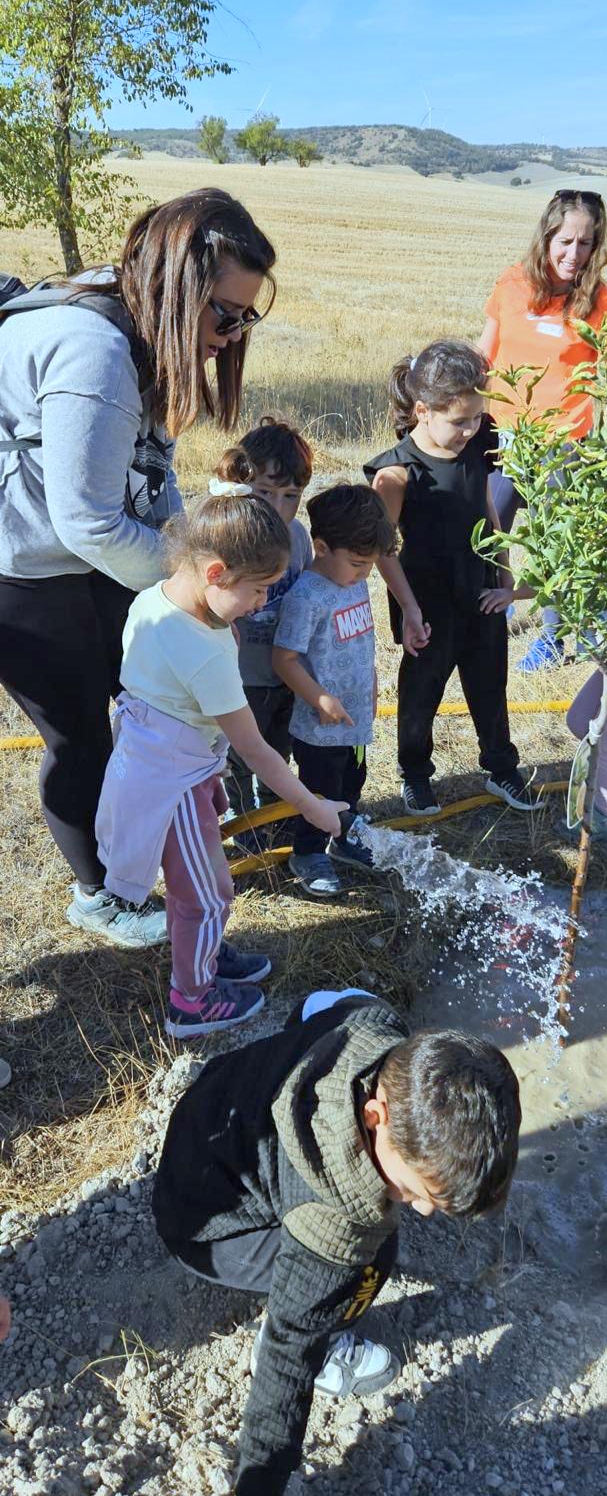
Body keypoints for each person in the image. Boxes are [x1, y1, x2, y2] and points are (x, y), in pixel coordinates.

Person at [0, 187, 276, 947]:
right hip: (22, 568)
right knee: (79, 734)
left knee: (146, 707)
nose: (232, 334)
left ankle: (148, 847)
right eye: (225, 314)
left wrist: (193, 552)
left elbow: (152, 478)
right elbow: (88, 521)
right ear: (176, 287)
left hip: (80, 555)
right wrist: (187, 587)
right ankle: (103, 894)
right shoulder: (93, 352)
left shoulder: (146, 332)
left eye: (246, 317)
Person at [151, 987, 521, 1496]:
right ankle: (332, 1347)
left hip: (208, 1113)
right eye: (416, 1190)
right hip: (204, 1229)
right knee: (373, 1259)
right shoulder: (335, 1218)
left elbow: (325, 1002)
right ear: (374, 1116)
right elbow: (289, 1348)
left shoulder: (374, 1028)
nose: (422, 1210)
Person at [95, 491, 347, 1039]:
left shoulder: (156, 600)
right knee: (208, 896)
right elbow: (256, 751)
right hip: (172, 784)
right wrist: (312, 806)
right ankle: (191, 999)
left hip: (156, 756)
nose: (261, 603)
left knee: (194, 883)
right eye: (258, 589)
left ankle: (201, 951)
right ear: (215, 573)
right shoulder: (204, 654)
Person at [366, 340, 543, 819]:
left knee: (490, 685)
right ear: (423, 411)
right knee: (421, 693)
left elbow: (487, 509)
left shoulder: (478, 443)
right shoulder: (397, 473)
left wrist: (506, 577)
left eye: (477, 418)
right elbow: (383, 549)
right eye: (460, 420)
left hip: (480, 591)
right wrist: (410, 610)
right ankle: (415, 774)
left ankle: (501, 766)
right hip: (427, 604)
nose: (471, 429)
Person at [478, 189, 607, 672]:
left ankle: (553, 639)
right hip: (501, 435)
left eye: (585, 243)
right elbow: (484, 353)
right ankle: (493, 609)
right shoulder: (511, 284)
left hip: (562, 444)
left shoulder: (598, 300)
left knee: (554, 543)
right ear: (546, 237)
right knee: (486, 531)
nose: (574, 253)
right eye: (565, 241)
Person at [488, 558, 607, 842]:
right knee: (580, 721)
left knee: (606, 742)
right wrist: (512, 593)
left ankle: (602, 818)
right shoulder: (591, 551)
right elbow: (553, 579)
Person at [272, 483, 396, 898]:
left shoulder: (353, 581)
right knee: (321, 789)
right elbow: (284, 659)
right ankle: (308, 852)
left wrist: (372, 682)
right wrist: (319, 698)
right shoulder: (306, 596)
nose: (365, 574)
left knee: (353, 780)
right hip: (319, 726)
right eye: (358, 563)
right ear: (322, 548)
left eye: (370, 565)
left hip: (355, 716)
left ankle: (344, 837)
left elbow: (363, 641)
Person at [208, 418, 314, 821]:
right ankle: (239, 819)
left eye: (291, 495)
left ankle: (273, 813)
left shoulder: (298, 537)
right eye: (266, 492)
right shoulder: (228, 539)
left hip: (284, 674)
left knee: (277, 748)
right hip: (239, 677)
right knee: (237, 754)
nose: (278, 507)